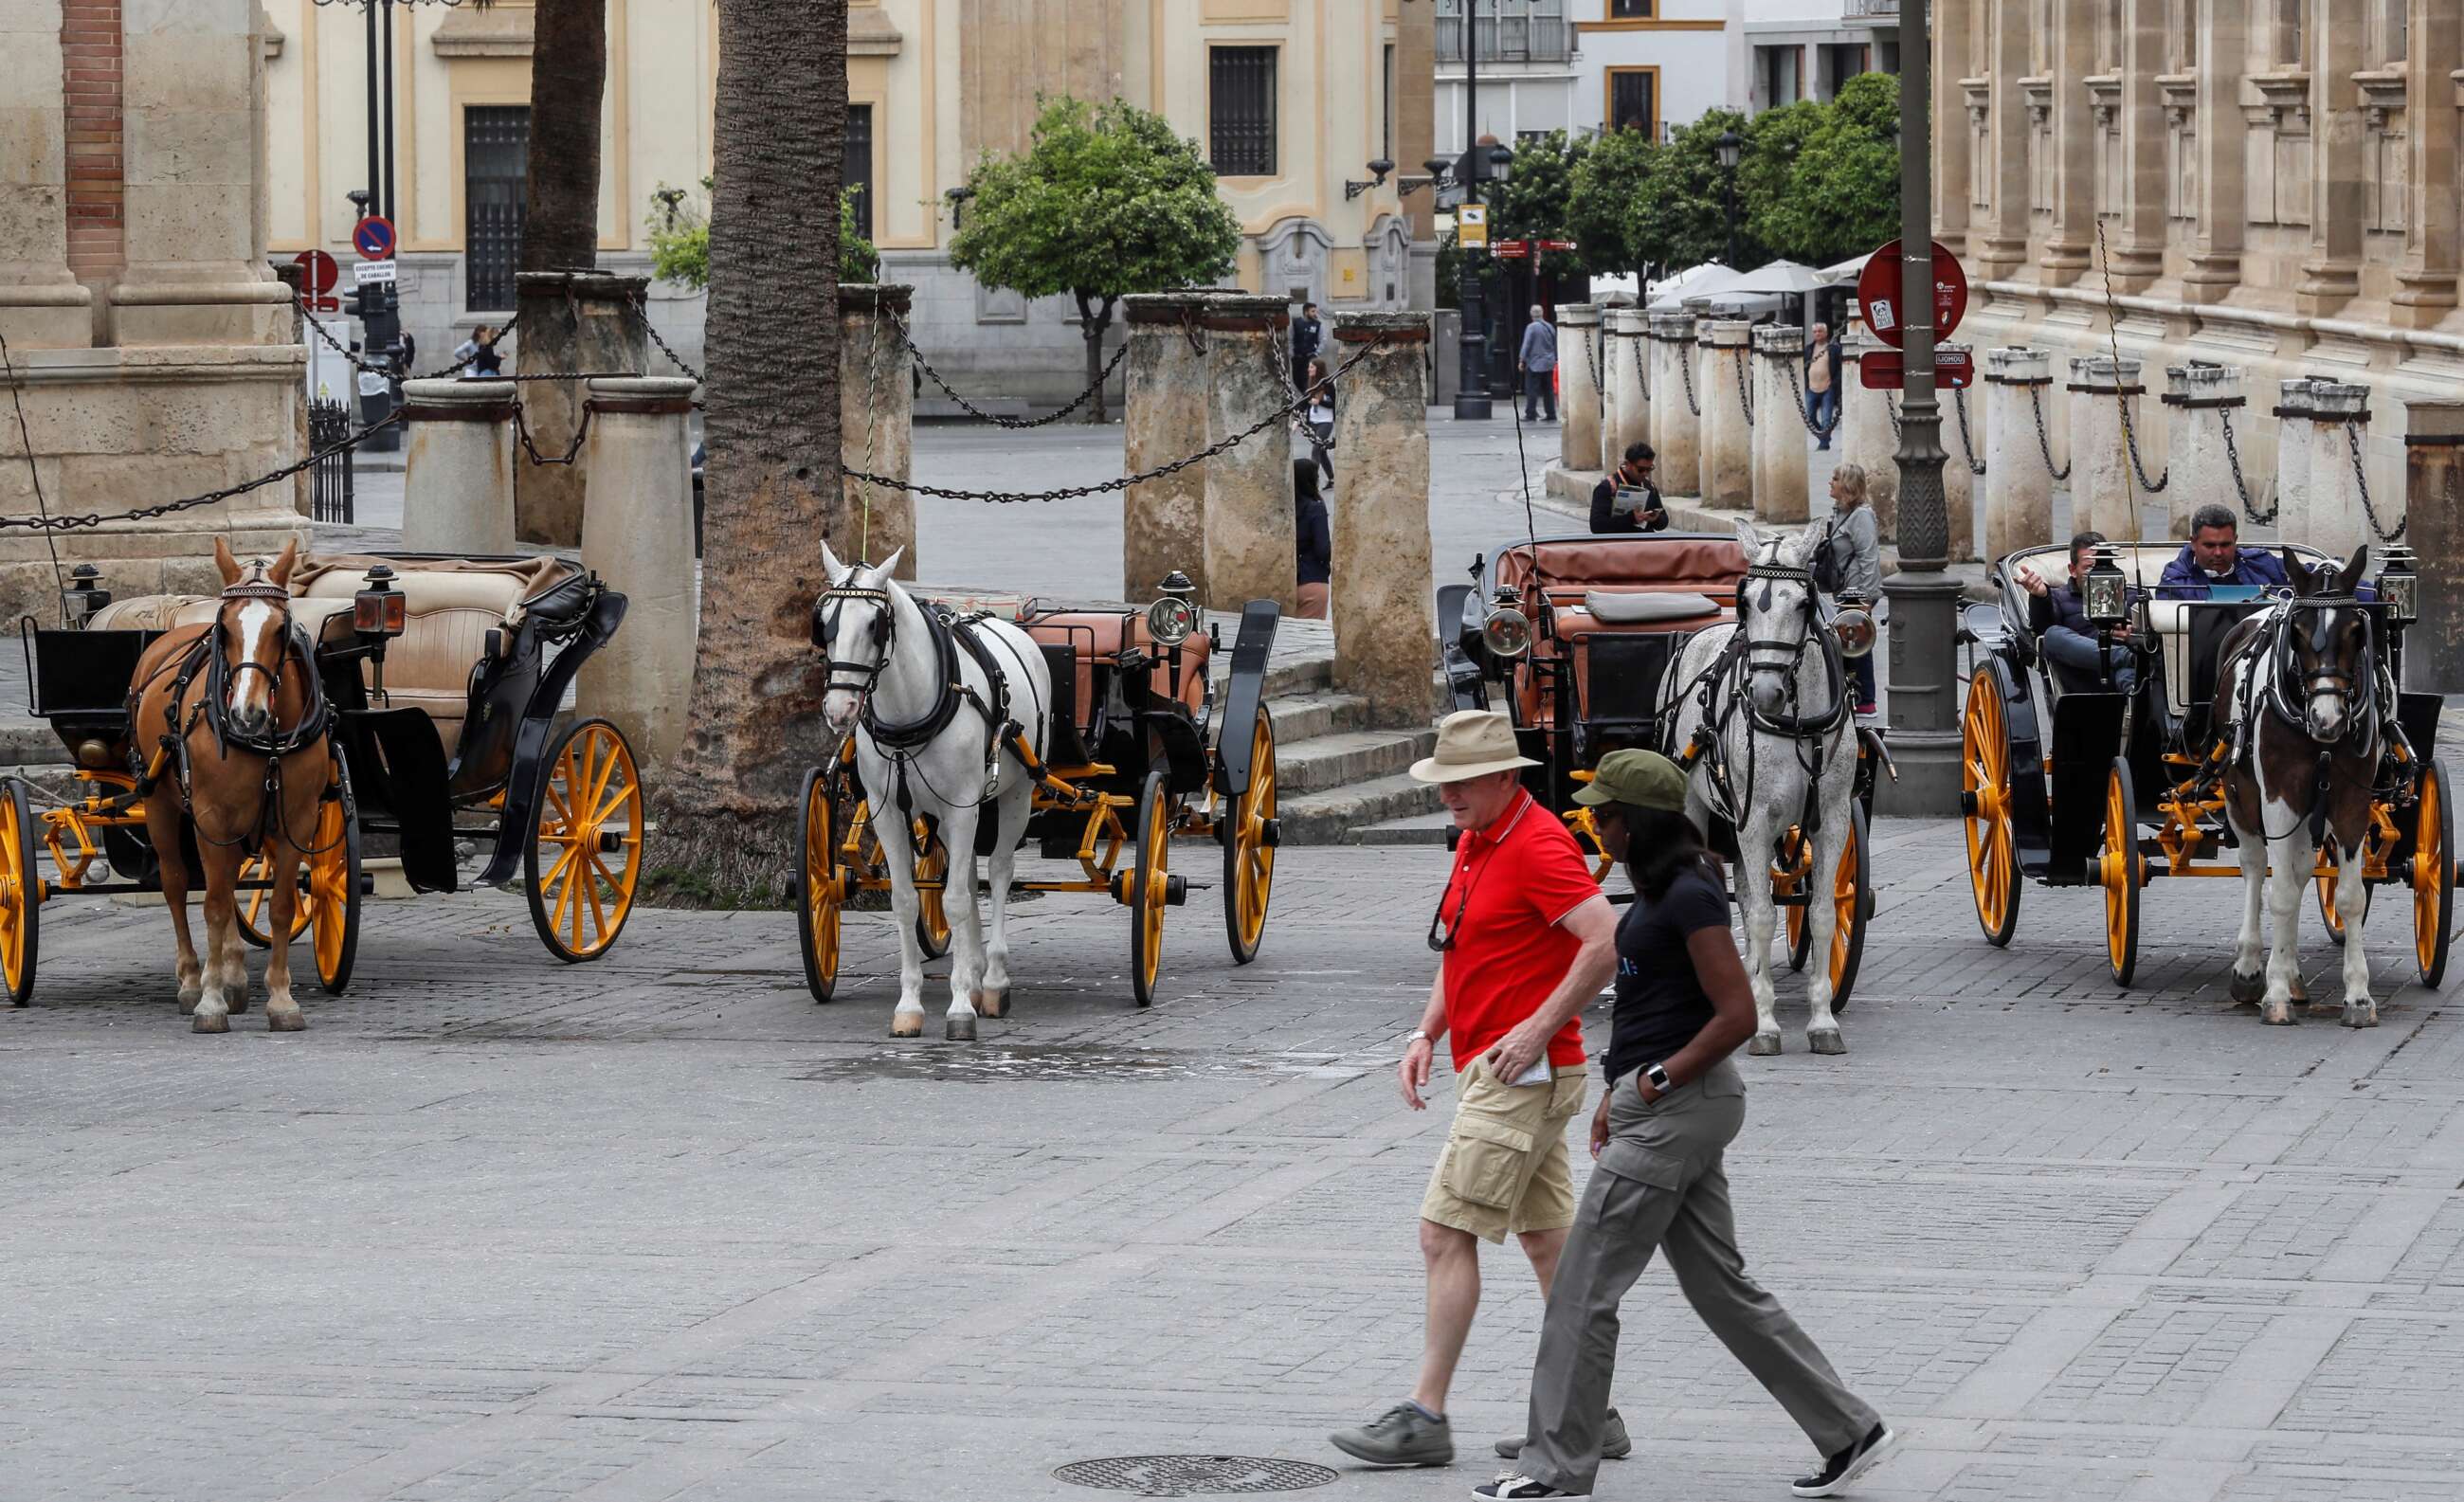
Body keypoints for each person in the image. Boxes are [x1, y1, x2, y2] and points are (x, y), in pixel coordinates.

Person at [1480, 750, 1894, 1502]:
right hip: (1666, 1107)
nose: (1595, 825)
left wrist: (1656, 1081)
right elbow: (1654, 1008)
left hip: (1675, 1110)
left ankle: (1555, 1467)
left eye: (1604, 815)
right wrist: (1618, 1089)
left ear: (1636, 822)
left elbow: (1736, 1012)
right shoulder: (1665, 888)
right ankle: (1850, 1429)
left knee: (1582, 1285)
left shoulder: (1689, 894)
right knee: (1720, 1287)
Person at [1330, 710, 1621, 1472]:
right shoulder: (1477, 838)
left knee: (1443, 1232)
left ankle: (1425, 1416)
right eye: (1442, 782)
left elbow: (1603, 941)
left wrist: (1534, 1029)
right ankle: (1593, 1412)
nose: (1448, 795)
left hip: (1519, 1074)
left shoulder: (1538, 843)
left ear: (1504, 777)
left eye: (1462, 782)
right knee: (1547, 1242)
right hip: (1507, 1069)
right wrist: (1425, 1031)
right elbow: (1461, 945)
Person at [2018, 530, 2141, 696]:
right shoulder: (2058, 597)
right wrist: (2040, 598)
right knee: (2052, 635)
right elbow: (2041, 631)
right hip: (2085, 672)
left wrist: (2132, 634)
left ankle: (2134, 692)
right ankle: (2126, 657)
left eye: (2103, 565)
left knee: (2130, 669)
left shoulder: (2133, 596)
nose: (2097, 573)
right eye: (2089, 567)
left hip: (2128, 671)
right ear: (2073, 569)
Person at [1822, 463, 1882, 715]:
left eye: (1835, 478)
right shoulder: (1840, 513)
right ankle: (1853, 696)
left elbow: (1869, 557)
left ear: (1847, 485)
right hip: (1844, 591)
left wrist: (1867, 597)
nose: (1830, 482)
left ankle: (1865, 700)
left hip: (1857, 592)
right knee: (1848, 645)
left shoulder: (1861, 516)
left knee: (1856, 646)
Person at [2155, 504, 2291, 599]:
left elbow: (2302, 577)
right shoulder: (2175, 583)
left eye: (2225, 545)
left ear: (2235, 541)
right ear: (2193, 543)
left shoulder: (2263, 564)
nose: (2218, 553)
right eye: (2209, 545)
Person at [1589, 443, 1667, 534]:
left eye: (1649, 469)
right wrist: (1631, 518)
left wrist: (1655, 519)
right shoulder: (1607, 487)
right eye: (1640, 470)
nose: (1645, 473)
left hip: (1646, 540)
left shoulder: (1649, 486)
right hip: (1619, 541)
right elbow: (1596, 526)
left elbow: (1664, 520)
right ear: (1627, 464)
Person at [1295, 458, 1332, 621]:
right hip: (1312, 579)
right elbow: (1323, 549)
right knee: (1309, 633)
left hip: (1287, 581)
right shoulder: (1315, 508)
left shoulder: (1286, 507)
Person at [1803, 323, 1841, 450]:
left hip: (1827, 388)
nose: (1817, 334)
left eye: (1820, 331)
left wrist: (1834, 383)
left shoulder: (1834, 349)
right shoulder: (1808, 349)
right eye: (1815, 331)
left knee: (1826, 419)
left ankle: (1824, 444)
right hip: (1811, 388)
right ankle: (1824, 437)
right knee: (1809, 417)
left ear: (1826, 333)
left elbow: (1840, 368)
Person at [1518, 306, 1558, 424]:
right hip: (1549, 362)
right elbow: (1555, 344)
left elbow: (1527, 344)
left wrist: (1522, 360)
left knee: (1531, 389)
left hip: (1535, 363)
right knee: (1548, 390)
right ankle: (1551, 413)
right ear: (1542, 313)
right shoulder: (1550, 327)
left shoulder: (1531, 327)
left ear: (1531, 314)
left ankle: (1530, 413)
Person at [1305, 355, 1336, 486]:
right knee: (1321, 451)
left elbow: (1333, 404)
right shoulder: (1311, 383)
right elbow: (1306, 403)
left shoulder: (1328, 385)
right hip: (1313, 421)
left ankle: (1313, 481)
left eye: (1311, 367)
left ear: (1319, 369)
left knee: (1316, 449)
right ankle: (1331, 479)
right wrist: (1298, 421)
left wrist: (1319, 402)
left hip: (1325, 421)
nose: (1309, 369)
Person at [1293, 299, 1324, 393]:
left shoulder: (1318, 324)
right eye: (1313, 311)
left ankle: (1308, 398)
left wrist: (1317, 353)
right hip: (1297, 357)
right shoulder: (1296, 323)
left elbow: (1322, 340)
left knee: (1307, 379)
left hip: (1310, 356)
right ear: (1306, 312)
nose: (1315, 314)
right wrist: (1291, 353)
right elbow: (1290, 338)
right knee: (1296, 379)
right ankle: (1306, 396)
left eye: (1315, 311)